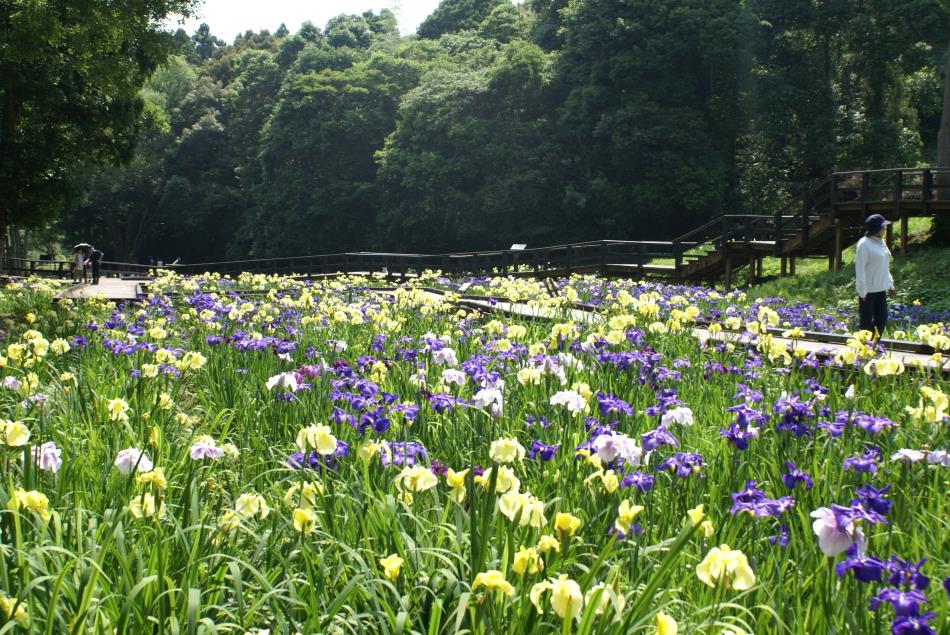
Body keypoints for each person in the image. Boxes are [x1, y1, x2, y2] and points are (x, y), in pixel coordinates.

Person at [854, 214, 895, 337]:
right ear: (876, 229)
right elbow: (860, 269)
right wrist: (862, 291)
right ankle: (864, 346)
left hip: (881, 288)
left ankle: (876, 345)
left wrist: (890, 284)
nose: (885, 229)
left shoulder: (881, 242)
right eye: (883, 227)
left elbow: (885, 266)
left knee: (882, 319)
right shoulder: (864, 244)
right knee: (866, 322)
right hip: (868, 292)